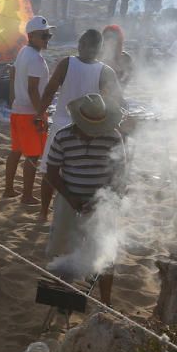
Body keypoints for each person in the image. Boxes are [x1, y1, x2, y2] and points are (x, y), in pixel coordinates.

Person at [45, 93, 125, 305]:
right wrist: (71, 198)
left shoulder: (113, 138)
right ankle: (63, 303)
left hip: (103, 205)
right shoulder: (63, 136)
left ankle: (105, 303)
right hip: (68, 200)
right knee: (63, 251)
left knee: (105, 254)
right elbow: (51, 172)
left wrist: (103, 202)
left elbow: (119, 175)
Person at [35, 29, 124, 220]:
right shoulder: (105, 71)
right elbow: (117, 100)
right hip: (92, 125)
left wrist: (39, 113)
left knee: (50, 170)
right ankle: (80, 211)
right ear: (99, 49)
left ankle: (43, 213)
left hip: (62, 125)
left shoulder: (67, 63)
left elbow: (50, 91)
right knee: (85, 170)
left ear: (80, 45)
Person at [4, 16, 53, 205]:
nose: (47, 39)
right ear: (31, 36)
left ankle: (9, 189)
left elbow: (13, 73)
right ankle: (26, 195)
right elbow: (33, 89)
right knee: (32, 155)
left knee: (16, 151)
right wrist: (40, 114)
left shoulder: (23, 51)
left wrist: (12, 98)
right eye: (44, 36)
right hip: (30, 113)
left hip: (18, 109)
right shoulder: (36, 59)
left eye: (49, 35)